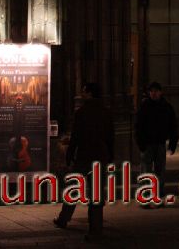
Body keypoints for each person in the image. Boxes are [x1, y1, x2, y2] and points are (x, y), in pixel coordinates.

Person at [54, 83, 114, 241]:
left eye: (84, 91)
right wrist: (110, 155)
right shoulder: (106, 112)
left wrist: (70, 154)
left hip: (84, 156)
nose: (81, 94)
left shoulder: (81, 112)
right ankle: (96, 230)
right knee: (96, 194)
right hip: (99, 156)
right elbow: (110, 137)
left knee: (73, 188)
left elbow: (76, 136)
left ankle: (64, 218)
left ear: (89, 94)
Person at [134, 81, 178, 202]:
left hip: (159, 143)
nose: (154, 93)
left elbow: (173, 126)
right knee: (146, 170)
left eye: (156, 91)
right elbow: (138, 126)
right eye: (152, 91)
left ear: (160, 92)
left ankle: (157, 195)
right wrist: (140, 142)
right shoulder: (145, 107)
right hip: (148, 143)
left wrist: (173, 144)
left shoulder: (165, 107)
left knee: (159, 170)